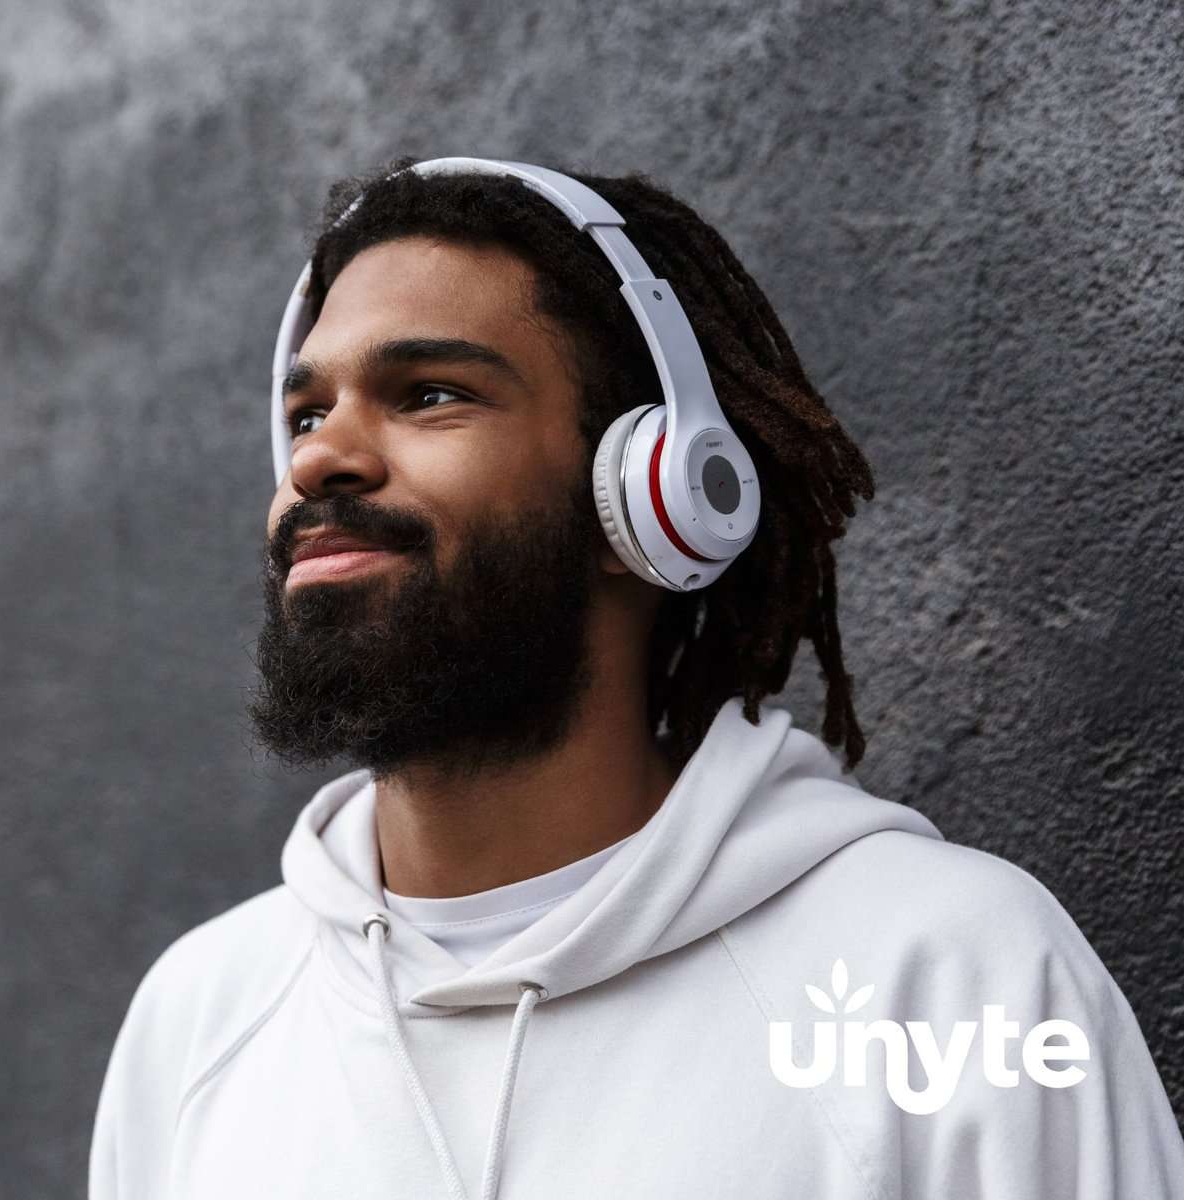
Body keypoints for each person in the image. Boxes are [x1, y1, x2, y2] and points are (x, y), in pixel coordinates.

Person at [88, 156, 1184, 1199]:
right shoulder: (200, 1015)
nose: (320, 458)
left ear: (650, 496)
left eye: (428, 395)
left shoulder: (944, 971)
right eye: (304, 415)